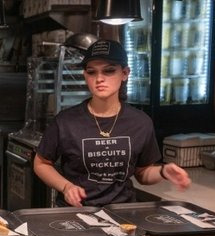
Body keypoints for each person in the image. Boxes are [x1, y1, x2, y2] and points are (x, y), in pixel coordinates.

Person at [33, 39, 191, 207]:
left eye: (109, 71)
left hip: (122, 214)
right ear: (85, 75)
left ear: (124, 73)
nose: (99, 78)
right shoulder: (65, 121)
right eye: (92, 72)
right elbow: (41, 163)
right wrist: (66, 187)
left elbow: (142, 173)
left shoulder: (140, 122)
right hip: (75, 214)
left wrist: (163, 171)